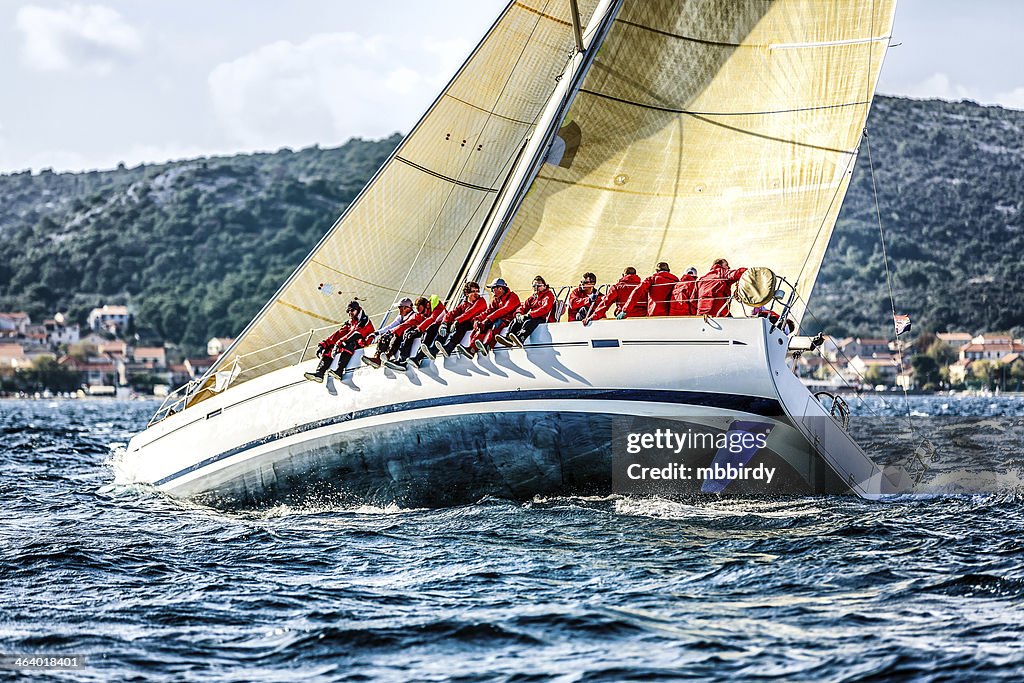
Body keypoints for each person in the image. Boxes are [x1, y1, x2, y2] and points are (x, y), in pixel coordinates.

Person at [303, 300, 375, 383]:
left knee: (349, 343)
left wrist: (340, 343)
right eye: (348, 311)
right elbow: (338, 334)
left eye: (352, 310)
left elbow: (356, 333)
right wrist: (323, 344)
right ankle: (320, 373)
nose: (350, 313)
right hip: (355, 343)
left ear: (358, 309)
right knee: (330, 348)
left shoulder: (364, 320)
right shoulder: (350, 322)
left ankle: (339, 371)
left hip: (365, 342)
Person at [462, 278, 521, 357]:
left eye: (493, 288)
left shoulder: (512, 297)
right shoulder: (496, 299)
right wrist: (478, 319)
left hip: (509, 320)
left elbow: (505, 310)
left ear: (500, 288)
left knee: (496, 324)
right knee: (482, 326)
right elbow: (488, 311)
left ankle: (487, 346)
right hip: (499, 319)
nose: (491, 291)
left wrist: (488, 319)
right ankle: (472, 349)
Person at [498, 275, 556, 348]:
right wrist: (519, 313)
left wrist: (529, 315)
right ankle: (508, 338)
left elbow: (545, 309)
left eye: (539, 285)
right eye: (534, 286)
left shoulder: (548, 295)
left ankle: (521, 338)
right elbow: (524, 306)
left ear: (544, 286)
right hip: (533, 317)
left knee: (528, 322)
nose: (536, 288)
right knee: (516, 320)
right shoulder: (533, 297)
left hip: (543, 318)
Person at [434, 281, 487, 358]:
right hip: (467, 323)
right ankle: (435, 348)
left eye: (477, 291)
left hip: (476, 324)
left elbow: (470, 313)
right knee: (445, 325)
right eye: (473, 291)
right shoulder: (464, 304)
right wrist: (444, 323)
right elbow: (451, 313)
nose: (476, 293)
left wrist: (457, 321)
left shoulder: (481, 301)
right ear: (467, 294)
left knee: (462, 324)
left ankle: (449, 347)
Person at [362, 297, 415, 368]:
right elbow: (391, 326)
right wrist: (377, 333)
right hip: (400, 334)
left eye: (400, 308)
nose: (399, 310)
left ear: (406, 308)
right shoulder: (401, 317)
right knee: (384, 336)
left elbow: (403, 327)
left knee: (394, 336)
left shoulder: (413, 316)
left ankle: (388, 355)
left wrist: (392, 332)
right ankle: (377, 358)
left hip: (406, 336)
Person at [398, 295, 447, 368]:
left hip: (443, 328)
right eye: (421, 313)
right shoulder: (427, 311)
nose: (423, 315)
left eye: (423, 311)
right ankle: (403, 360)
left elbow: (432, 319)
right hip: (434, 327)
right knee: (409, 332)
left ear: (427, 305)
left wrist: (418, 329)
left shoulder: (438, 308)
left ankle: (419, 357)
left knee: (430, 329)